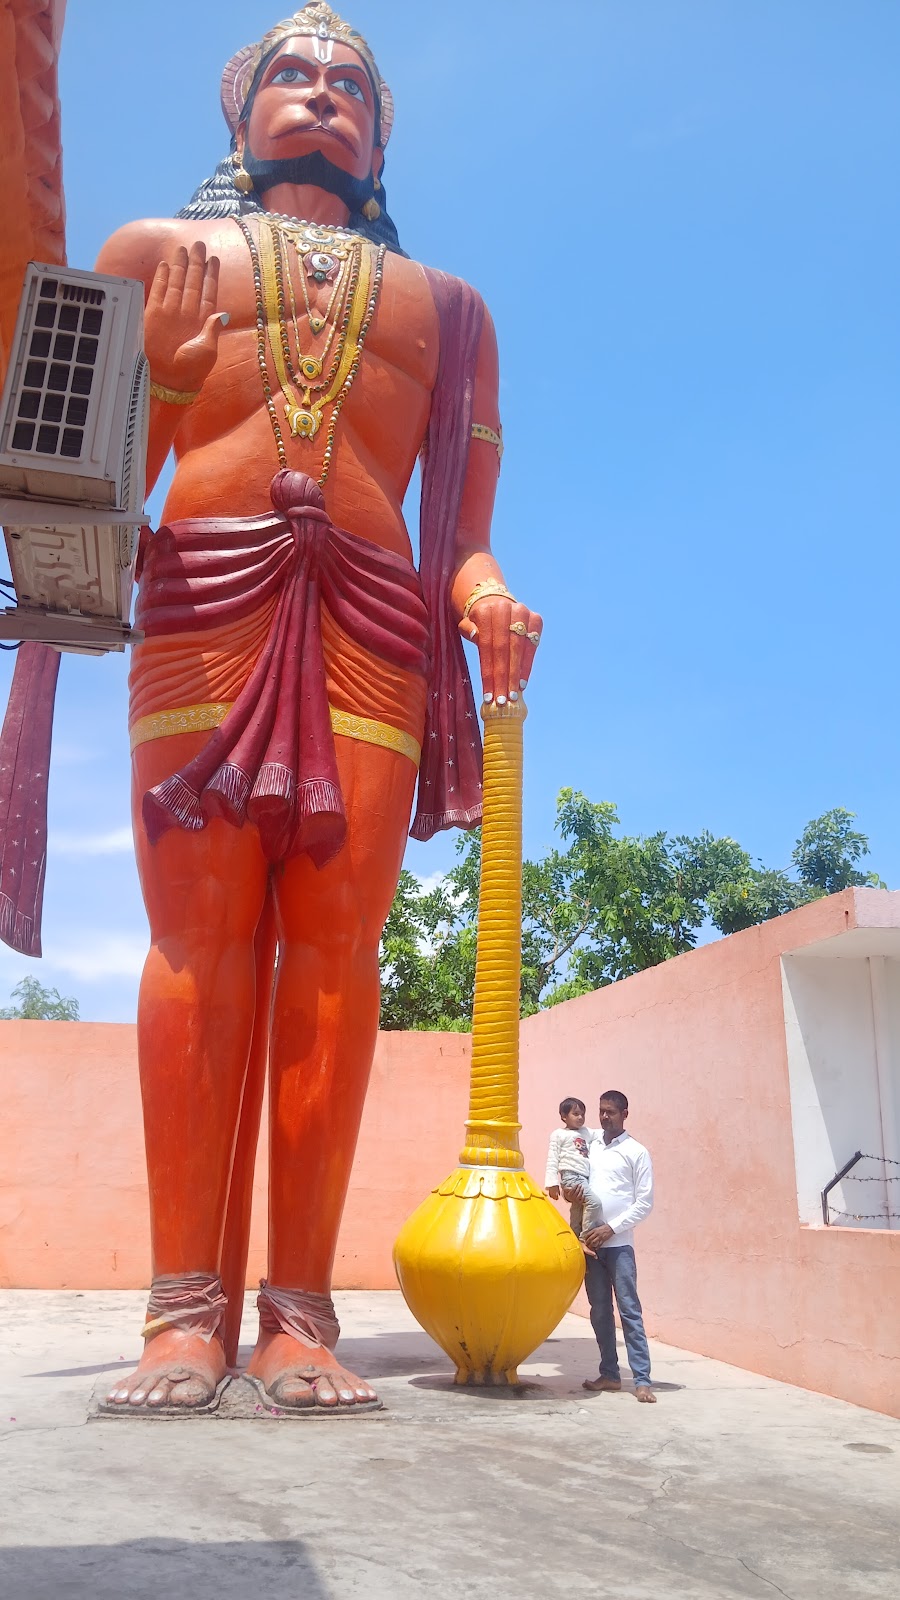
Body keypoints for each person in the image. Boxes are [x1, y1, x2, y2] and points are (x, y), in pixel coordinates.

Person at [94, 3, 541, 1413]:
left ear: (385, 131)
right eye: (292, 74)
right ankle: (183, 1313)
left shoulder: (451, 312)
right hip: (204, 600)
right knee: (200, 939)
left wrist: (484, 598)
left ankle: (296, 1313)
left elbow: (457, 530)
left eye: (352, 84)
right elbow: (91, 478)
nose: (322, 96)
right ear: (240, 111)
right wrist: (161, 377)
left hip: (369, 620)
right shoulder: (153, 256)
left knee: (336, 955)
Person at [579, 1091, 656, 1403]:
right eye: (601, 1111)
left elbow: (645, 1203)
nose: (604, 1117)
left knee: (629, 1311)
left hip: (619, 1245)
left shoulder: (636, 1152)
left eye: (610, 1112)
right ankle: (610, 1374)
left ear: (625, 1113)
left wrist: (611, 1228)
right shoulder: (592, 1144)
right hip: (591, 1245)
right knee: (599, 1311)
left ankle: (642, 1380)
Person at [544, 1097, 593, 1236]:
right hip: (571, 1175)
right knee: (594, 1203)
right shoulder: (559, 1134)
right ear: (564, 1116)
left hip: (584, 1176)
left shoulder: (586, 1133)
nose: (580, 1117)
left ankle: (576, 1238)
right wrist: (552, 1184)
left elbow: (602, 1134)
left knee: (578, 1209)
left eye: (583, 1114)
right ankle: (584, 1238)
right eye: (576, 1114)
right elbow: (552, 1159)